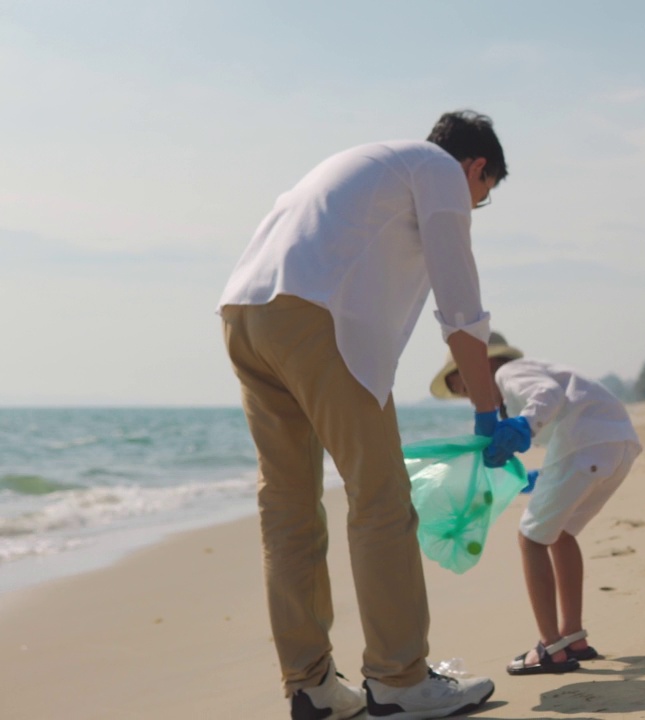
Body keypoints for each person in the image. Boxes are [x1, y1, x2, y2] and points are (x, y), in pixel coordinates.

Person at [219, 110, 519, 720]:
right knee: (380, 498)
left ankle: (312, 686)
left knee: (288, 510)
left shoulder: (367, 162)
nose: (473, 208)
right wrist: (488, 412)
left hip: (243, 313)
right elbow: (460, 306)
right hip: (313, 319)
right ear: (477, 167)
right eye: (480, 198)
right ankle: (399, 679)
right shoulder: (439, 170)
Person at [430, 335, 642, 675]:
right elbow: (565, 409)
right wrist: (538, 475)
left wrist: (522, 426)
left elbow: (547, 397)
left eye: (465, 386)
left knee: (531, 539)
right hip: (618, 445)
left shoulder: (508, 373)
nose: (471, 398)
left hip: (585, 445)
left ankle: (550, 647)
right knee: (560, 533)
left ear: (481, 363)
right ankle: (573, 637)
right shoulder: (530, 373)